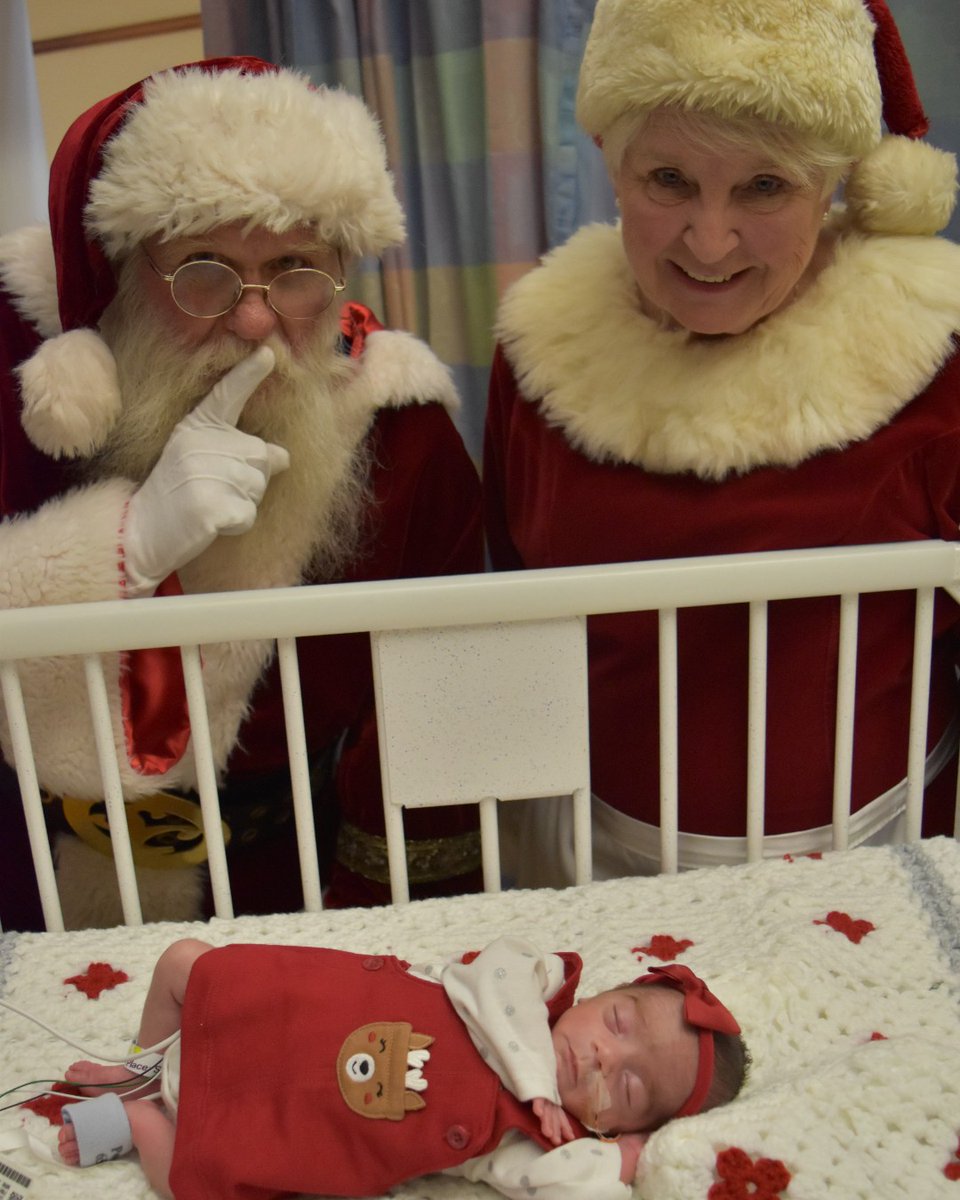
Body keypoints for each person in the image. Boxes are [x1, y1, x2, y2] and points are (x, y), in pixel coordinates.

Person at [0, 58, 484, 928]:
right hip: (27, 878)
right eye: (203, 269)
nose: (254, 318)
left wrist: (381, 913)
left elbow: (435, 716)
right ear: (120, 274)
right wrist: (122, 549)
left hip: (299, 886)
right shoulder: (22, 396)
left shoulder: (403, 435)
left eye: (296, 267)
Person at [483, 0, 960, 884]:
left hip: (888, 870)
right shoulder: (537, 358)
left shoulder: (938, 367)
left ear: (840, 184)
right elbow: (506, 629)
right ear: (610, 166)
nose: (709, 241)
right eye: (667, 179)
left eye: (766, 187)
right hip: (588, 873)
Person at [52, 934, 747, 1199]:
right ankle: (138, 1068)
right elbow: (489, 977)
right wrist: (534, 1080)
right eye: (618, 1023)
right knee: (186, 964)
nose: (603, 1056)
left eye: (627, 1086)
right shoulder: (528, 983)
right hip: (275, 1011)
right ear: (597, 994)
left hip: (290, 1124)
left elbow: (557, 1188)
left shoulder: (528, 1136)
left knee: (195, 1183)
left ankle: (137, 1120)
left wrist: (620, 1162)